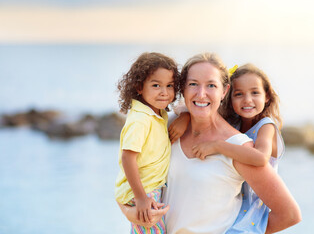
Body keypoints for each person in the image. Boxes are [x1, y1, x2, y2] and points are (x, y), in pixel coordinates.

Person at [119, 53, 301, 234]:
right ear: (182, 89)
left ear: (224, 91)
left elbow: (289, 214)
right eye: (193, 84)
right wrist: (129, 212)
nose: (201, 93)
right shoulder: (168, 126)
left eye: (211, 85)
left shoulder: (238, 147)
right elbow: (128, 179)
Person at [171, 63, 285, 233]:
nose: (247, 100)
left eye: (255, 93)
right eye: (239, 94)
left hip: (254, 208)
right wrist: (185, 117)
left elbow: (260, 158)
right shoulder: (236, 123)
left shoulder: (265, 126)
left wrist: (218, 146)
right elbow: (198, 106)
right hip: (239, 202)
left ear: (267, 96)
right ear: (228, 97)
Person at [114, 52, 179, 234]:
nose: (164, 92)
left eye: (170, 86)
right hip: (143, 191)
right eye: (156, 85)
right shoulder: (141, 119)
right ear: (139, 87)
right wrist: (141, 197)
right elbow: (128, 158)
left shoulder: (158, 113)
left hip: (148, 189)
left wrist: (186, 117)